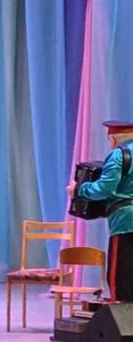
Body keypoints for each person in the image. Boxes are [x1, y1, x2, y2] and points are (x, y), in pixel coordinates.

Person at [68, 120, 133, 302]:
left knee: (121, 277)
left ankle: (122, 314)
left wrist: (79, 189)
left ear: (114, 138)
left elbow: (105, 189)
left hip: (126, 221)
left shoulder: (119, 155)